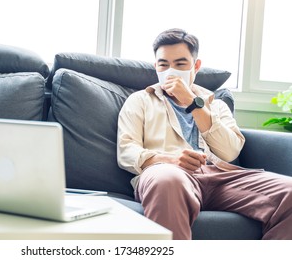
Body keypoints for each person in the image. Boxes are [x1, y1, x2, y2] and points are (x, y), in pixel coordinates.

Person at [117, 28, 292, 240]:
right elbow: (126, 151)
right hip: (166, 174)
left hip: (219, 176)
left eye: (180, 64)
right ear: (156, 66)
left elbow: (229, 151)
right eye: (163, 64)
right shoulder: (140, 101)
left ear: (196, 66)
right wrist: (171, 160)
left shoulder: (216, 105)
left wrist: (192, 102)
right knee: (167, 179)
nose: (170, 72)